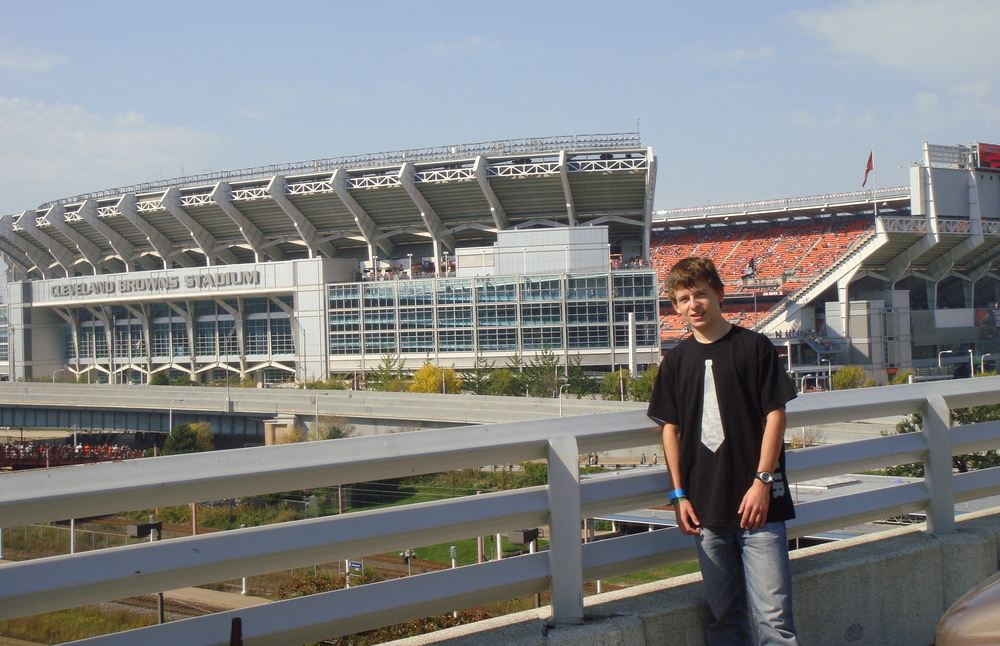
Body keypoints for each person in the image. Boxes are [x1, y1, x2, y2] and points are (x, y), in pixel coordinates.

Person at [647, 257, 800, 645]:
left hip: (758, 507)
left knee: (775, 621)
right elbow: (670, 431)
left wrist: (763, 481)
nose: (693, 304)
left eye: (700, 294)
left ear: (719, 294)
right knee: (723, 618)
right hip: (706, 507)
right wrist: (678, 495)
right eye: (683, 299)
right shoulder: (676, 362)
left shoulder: (755, 347)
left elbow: (775, 417)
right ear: (676, 307)